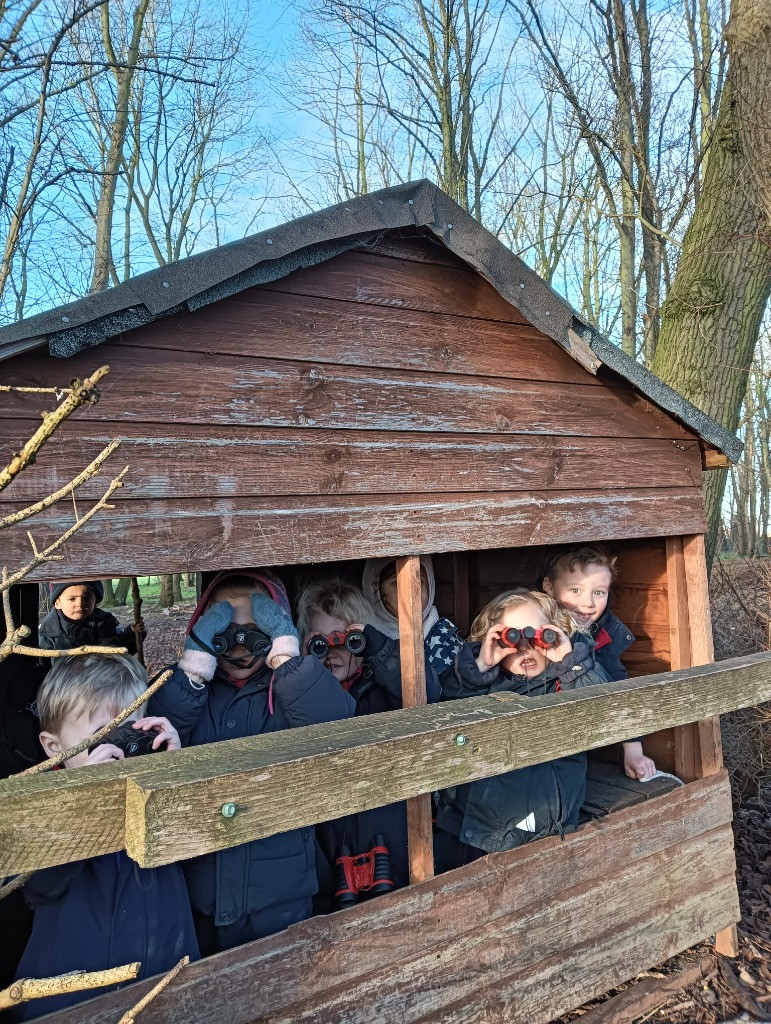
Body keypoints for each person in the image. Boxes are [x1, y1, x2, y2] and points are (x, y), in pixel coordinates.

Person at [147, 569, 356, 954]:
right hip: (199, 891)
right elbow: (154, 741)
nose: (240, 646)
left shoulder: (294, 689)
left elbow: (337, 728)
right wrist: (192, 671)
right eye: (224, 631)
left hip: (280, 891)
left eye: (256, 631)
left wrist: (287, 661)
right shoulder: (183, 689)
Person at [13, 654, 198, 1021]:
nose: (119, 751)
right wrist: (85, 803)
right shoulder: (41, 804)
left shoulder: (151, 788)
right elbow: (37, 887)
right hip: (70, 990)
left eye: (132, 732)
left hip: (165, 971)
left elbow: (197, 845)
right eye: (101, 737)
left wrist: (173, 772)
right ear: (54, 748)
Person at [434, 588, 610, 873]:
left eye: (536, 636)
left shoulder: (567, 681)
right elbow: (447, 715)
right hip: (481, 832)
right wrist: (480, 667)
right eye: (512, 638)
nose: (525, 647)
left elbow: (604, 712)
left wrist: (569, 662)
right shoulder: (481, 686)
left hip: (551, 830)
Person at [296, 578, 421, 911]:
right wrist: (306, 670)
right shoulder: (298, 697)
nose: (333, 651)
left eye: (346, 639)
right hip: (330, 838)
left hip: (389, 831)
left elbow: (427, 694)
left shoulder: (384, 690)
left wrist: (377, 647)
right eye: (320, 642)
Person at [542, 545, 657, 780]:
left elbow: (619, 690)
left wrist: (633, 752)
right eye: (575, 590)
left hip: (576, 750)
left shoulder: (602, 638)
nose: (588, 603)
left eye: (599, 592)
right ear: (549, 587)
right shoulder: (531, 627)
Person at [362, 555, 463, 693]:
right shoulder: (362, 641)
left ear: (430, 586)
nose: (410, 592)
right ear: (375, 592)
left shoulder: (448, 641)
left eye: (419, 582)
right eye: (396, 583)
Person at [38, 581, 144, 655]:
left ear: (96, 602)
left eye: (86, 598)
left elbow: (120, 648)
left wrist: (132, 633)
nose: (80, 604)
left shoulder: (103, 624)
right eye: (72, 599)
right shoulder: (47, 636)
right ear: (57, 603)